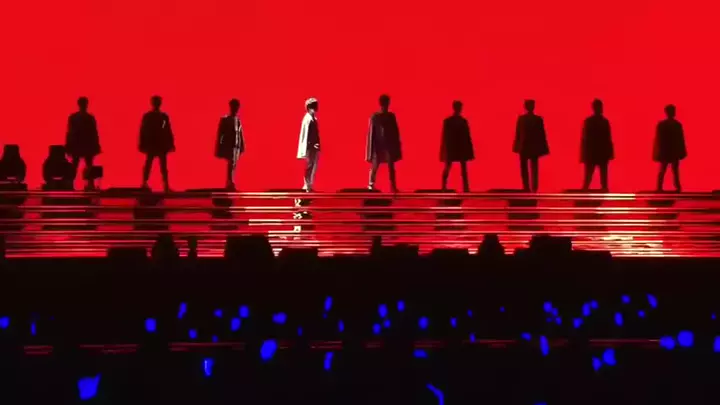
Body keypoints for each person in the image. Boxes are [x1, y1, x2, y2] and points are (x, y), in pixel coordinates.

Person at [367, 94, 402, 192]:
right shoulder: (377, 117)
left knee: (389, 166)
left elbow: (395, 132)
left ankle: (391, 185)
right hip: (379, 145)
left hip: (386, 145)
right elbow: (372, 133)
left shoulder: (389, 116)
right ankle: (372, 185)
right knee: (376, 166)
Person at [139, 95, 174, 192]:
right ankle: (164, 185)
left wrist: (142, 144)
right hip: (157, 144)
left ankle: (146, 183)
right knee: (159, 165)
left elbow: (166, 129)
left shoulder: (153, 116)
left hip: (156, 144)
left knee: (152, 164)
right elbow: (166, 130)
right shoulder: (161, 117)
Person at [65, 97, 101, 190]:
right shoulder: (89, 118)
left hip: (78, 145)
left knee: (77, 164)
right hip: (86, 145)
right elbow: (94, 133)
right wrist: (96, 146)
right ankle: (90, 184)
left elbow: (70, 133)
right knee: (87, 164)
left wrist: (68, 146)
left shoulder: (74, 118)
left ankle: (71, 183)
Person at [513, 99, 549, 192]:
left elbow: (518, 134)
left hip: (524, 146)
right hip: (533, 147)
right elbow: (542, 135)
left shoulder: (522, 119)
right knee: (534, 167)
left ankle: (527, 187)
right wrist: (544, 148)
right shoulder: (538, 119)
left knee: (525, 168)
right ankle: (533, 187)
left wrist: (516, 146)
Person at [440, 100, 474, 192]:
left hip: (453, 148)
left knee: (450, 167)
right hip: (459, 148)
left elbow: (445, 137)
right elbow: (467, 138)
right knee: (462, 168)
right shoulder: (462, 121)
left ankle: (444, 187)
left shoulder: (449, 121)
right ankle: (465, 187)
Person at [580, 99, 614, 191]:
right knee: (601, 177)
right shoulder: (604, 122)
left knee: (589, 177)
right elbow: (608, 139)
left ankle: (586, 190)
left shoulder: (590, 121)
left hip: (594, 153)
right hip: (600, 153)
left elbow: (585, 139)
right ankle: (601, 190)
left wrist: (583, 155)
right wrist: (610, 153)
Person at [654, 104, 686, 192]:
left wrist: (658, 153)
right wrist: (682, 152)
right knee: (674, 170)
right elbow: (680, 140)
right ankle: (677, 187)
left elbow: (658, 140)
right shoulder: (677, 125)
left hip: (666, 151)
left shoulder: (663, 125)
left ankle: (660, 187)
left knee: (664, 170)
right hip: (672, 151)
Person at [215, 99, 244, 190]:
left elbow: (240, 133)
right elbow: (221, 133)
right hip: (229, 145)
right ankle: (230, 182)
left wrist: (242, 145)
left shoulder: (238, 120)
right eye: (234, 107)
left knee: (233, 164)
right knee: (231, 163)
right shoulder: (226, 120)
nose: (236, 109)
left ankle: (231, 181)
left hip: (236, 145)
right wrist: (219, 145)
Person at [297, 98, 320, 192]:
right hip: (309, 148)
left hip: (313, 147)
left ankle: (309, 185)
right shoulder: (308, 119)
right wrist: (311, 145)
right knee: (309, 166)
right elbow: (306, 134)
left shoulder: (313, 118)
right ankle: (307, 185)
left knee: (312, 165)